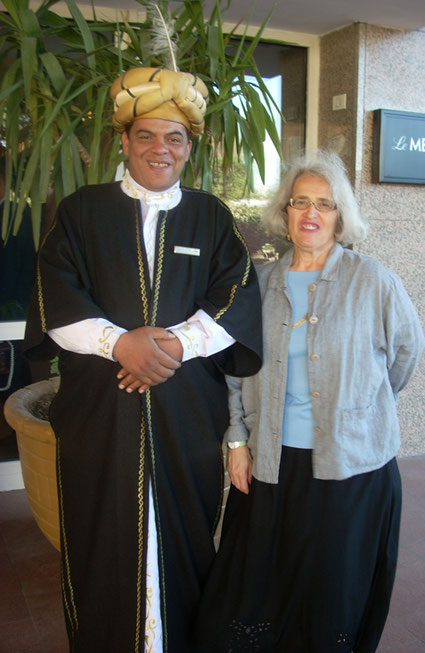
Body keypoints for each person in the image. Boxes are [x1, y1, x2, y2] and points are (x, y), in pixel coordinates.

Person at [23, 67, 262, 652]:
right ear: (124, 141)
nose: (161, 149)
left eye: (175, 138)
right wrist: (121, 344)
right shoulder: (82, 211)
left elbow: (236, 293)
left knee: (187, 533)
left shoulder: (211, 217)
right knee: (99, 535)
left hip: (187, 418)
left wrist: (174, 345)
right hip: (101, 417)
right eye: (148, 136)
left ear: (190, 148)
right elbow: (55, 294)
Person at [195, 150, 425, 653]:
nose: (312, 214)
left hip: (351, 466)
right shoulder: (257, 283)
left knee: (333, 587)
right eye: (301, 202)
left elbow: (406, 354)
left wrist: (361, 410)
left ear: (340, 215)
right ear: (285, 212)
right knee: (255, 584)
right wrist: (236, 439)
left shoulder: (374, 281)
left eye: (324, 203)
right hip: (271, 462)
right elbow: (233, 370)